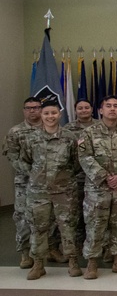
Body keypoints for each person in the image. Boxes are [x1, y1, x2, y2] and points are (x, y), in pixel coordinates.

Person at [77, 95, 117, 279]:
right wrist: (105, 177)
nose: (113, 109)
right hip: (98, 189)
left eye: (116, 106)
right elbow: (85, 157)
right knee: (95, 225)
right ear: (101, 110)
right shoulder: (89, 133)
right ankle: (92, 263)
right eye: (108, 106)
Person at [22, 100, 81, 280]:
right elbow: (25, 160)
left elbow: (77, 162)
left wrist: (64, 178)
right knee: (38, 228)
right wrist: (36, 176)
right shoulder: (31, 138)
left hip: (64, 191)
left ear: (60, 114)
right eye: (46, 113)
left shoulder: (69, 137)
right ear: (41, 115)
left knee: (68, 227)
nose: (50, 116)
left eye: (53, 113)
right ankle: (38, 264)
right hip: (38, 192)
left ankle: (73, 261)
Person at [4, 96, 43, 269]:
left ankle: (47, 251)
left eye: (36, 107)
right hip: (25, 183)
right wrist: (32, 172)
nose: (33, 110)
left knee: (47, 218)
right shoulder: (16, 131)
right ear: (24, 110)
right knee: (23, 217)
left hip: (48, 183)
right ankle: (25, 253)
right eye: (29, 108)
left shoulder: (50, 128)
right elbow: (12, 156)